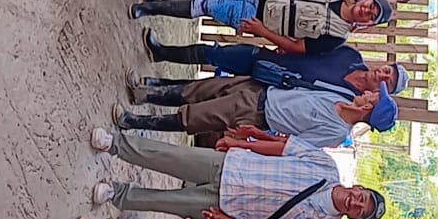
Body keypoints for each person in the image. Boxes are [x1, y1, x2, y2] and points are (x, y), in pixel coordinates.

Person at [86, 129, 385, 219]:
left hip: (229, 207)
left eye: (361, 211)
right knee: (168, 156)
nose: (356, 203)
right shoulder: (326, 166)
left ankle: (116, 194)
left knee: (168, 202)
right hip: (233, 166)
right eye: (363, 198)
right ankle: (114, 144)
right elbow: (283, 148)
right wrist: (242, 143)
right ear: (359, 187)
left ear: (355, 218)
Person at [129, 0, 392, 54]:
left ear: (367, 25)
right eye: (371, 6)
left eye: (371, 15)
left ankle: (148, 9)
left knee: (207, 6)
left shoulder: (336, 37)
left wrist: (262, 32)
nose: (366, 10)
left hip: (258, 17)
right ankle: (155, 5)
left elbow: (298, 47)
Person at [107, 74, 397, 147]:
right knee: (201, 90)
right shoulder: (342, 96)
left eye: (374, 96)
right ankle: (146, 94)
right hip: (262, 90)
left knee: (195, 117)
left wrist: (254, 137)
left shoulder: (335, 132)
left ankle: (133, 121)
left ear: (368, 108)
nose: (370, 92)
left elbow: (291, 145)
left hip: (257, 114)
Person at [139, 34, 410, 97]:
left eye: (388, 82)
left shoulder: (350, 100)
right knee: (216, 55)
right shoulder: (349, 55)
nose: (382, 75)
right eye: (388, 71)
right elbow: (311, 44)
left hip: (267, 93)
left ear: (383, 91)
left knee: (210, 89)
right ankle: (162, 52)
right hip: (269, 60)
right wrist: (287, 43)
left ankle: (159, 85)